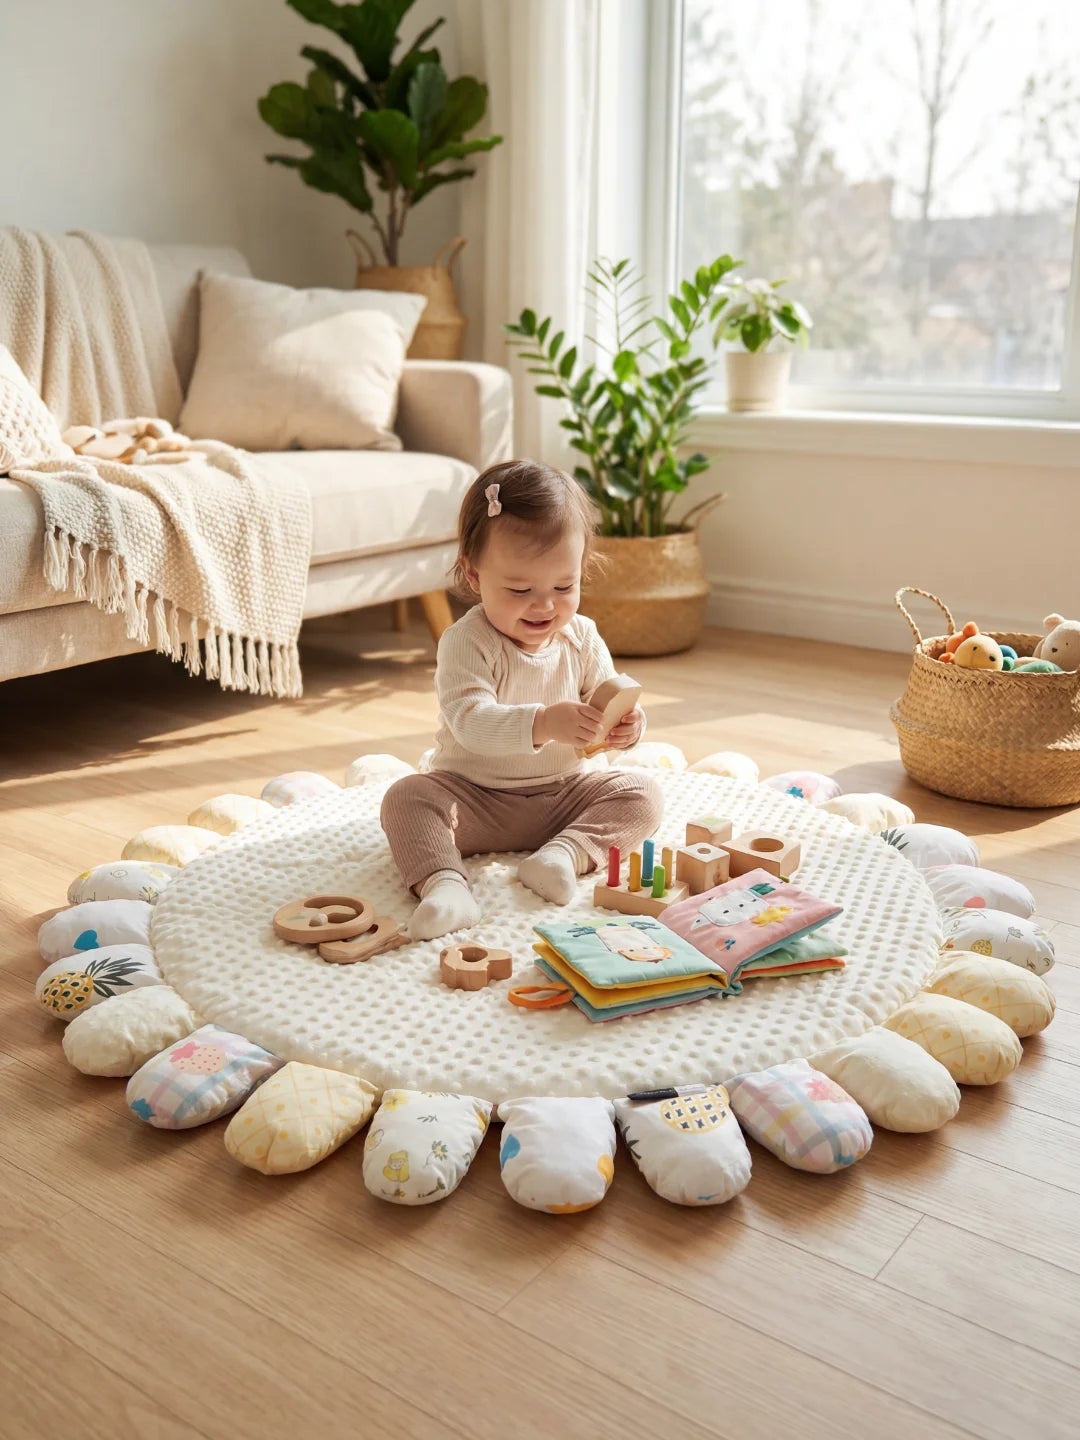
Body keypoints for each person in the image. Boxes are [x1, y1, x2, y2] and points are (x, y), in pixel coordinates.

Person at [381, 458, 663, 940]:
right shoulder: (466, 641)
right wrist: (544, 723)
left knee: (643, 793)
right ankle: (446, 887)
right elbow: (470, 720)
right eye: (519, 589)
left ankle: (562, 855)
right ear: (473, 575)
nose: (545, 604)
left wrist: (624, 726)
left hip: (563, 797)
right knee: (406, 798)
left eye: (564, 586)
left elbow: (604, 701)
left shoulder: (582, 636)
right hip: (474, 800)